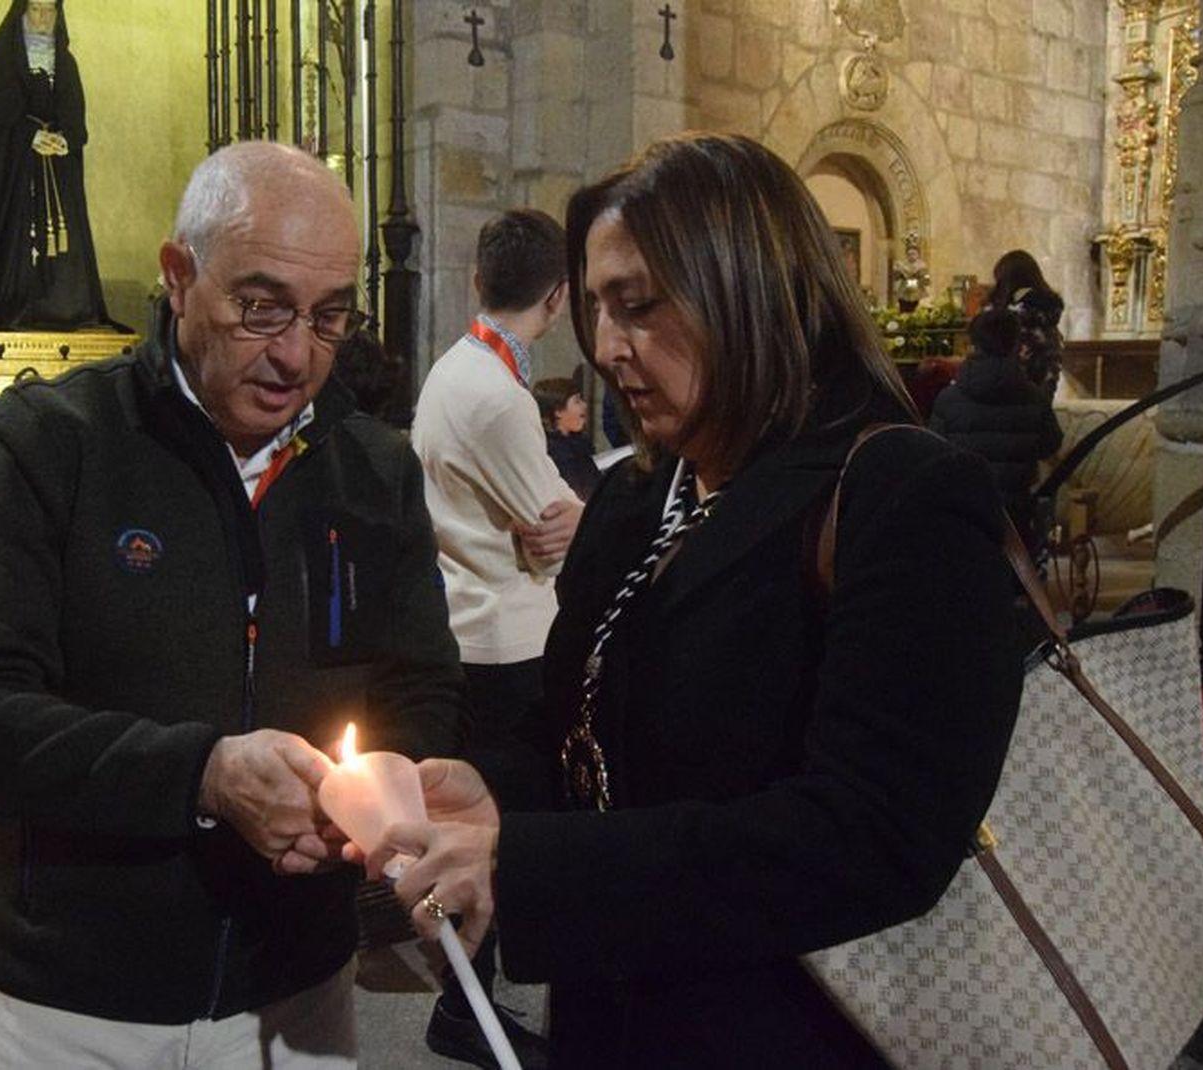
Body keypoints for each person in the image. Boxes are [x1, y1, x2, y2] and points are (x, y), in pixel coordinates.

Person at [363, 133, 1023, 1067]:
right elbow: (592, 736)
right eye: (594, 307)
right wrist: (498, 800)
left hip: (789, 1028)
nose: (603, 348)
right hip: (616, 1013)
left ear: (750, 291)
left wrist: (534, 868)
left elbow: (876, 833)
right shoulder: (639, 496)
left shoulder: (898, 494)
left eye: (637, 306)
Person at [0, 140, 466, 1069]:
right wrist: (201, 775)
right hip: (79, 1006)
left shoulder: (372, 469)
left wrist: (383, 791)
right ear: (179, 276)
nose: (296, 355)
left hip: (298, 993)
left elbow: (419, 688)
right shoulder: (53, 442)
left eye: (330, 318)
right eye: (261, 308)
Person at [410, 207, 581, 1068]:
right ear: (559, 298)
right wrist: (583, 518)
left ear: (479, 279)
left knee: (499, 829)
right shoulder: (493, 394)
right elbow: (555, 522)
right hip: (507, 647)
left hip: (478, 634)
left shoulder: (461, 369)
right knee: (509, 832)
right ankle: (468, 1007)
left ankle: (473, 1001)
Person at [0, 0, 114, 330]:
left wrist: (66, 140)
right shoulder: (2, 59)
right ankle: (20, 307)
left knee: (66, 241)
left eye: (50, 10)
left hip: (58, 170)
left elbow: (75, 114)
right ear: (22, 12)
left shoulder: (66, 63)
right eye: (36, 9)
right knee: (19, 242)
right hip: (18, 174)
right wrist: (28, 136)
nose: (43, 18)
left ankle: (66, 309)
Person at [929, 307, 1063, 549]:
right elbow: (1050, 443)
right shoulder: (1034, 397)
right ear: (1015, 344)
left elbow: (936, 451)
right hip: (1016, 510)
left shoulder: (949, 398)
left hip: (966, 512)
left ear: (974, 343)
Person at [987, 248, 1065, 393]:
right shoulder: (1048, 320)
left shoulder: (1014, 320)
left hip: (1012, 403)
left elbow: (999, 370)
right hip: (1041, 403)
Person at [534, 376, 600, 501]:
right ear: (558, 411)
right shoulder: (553, 451)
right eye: (577, 401)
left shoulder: (580, 445)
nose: (584, 405)